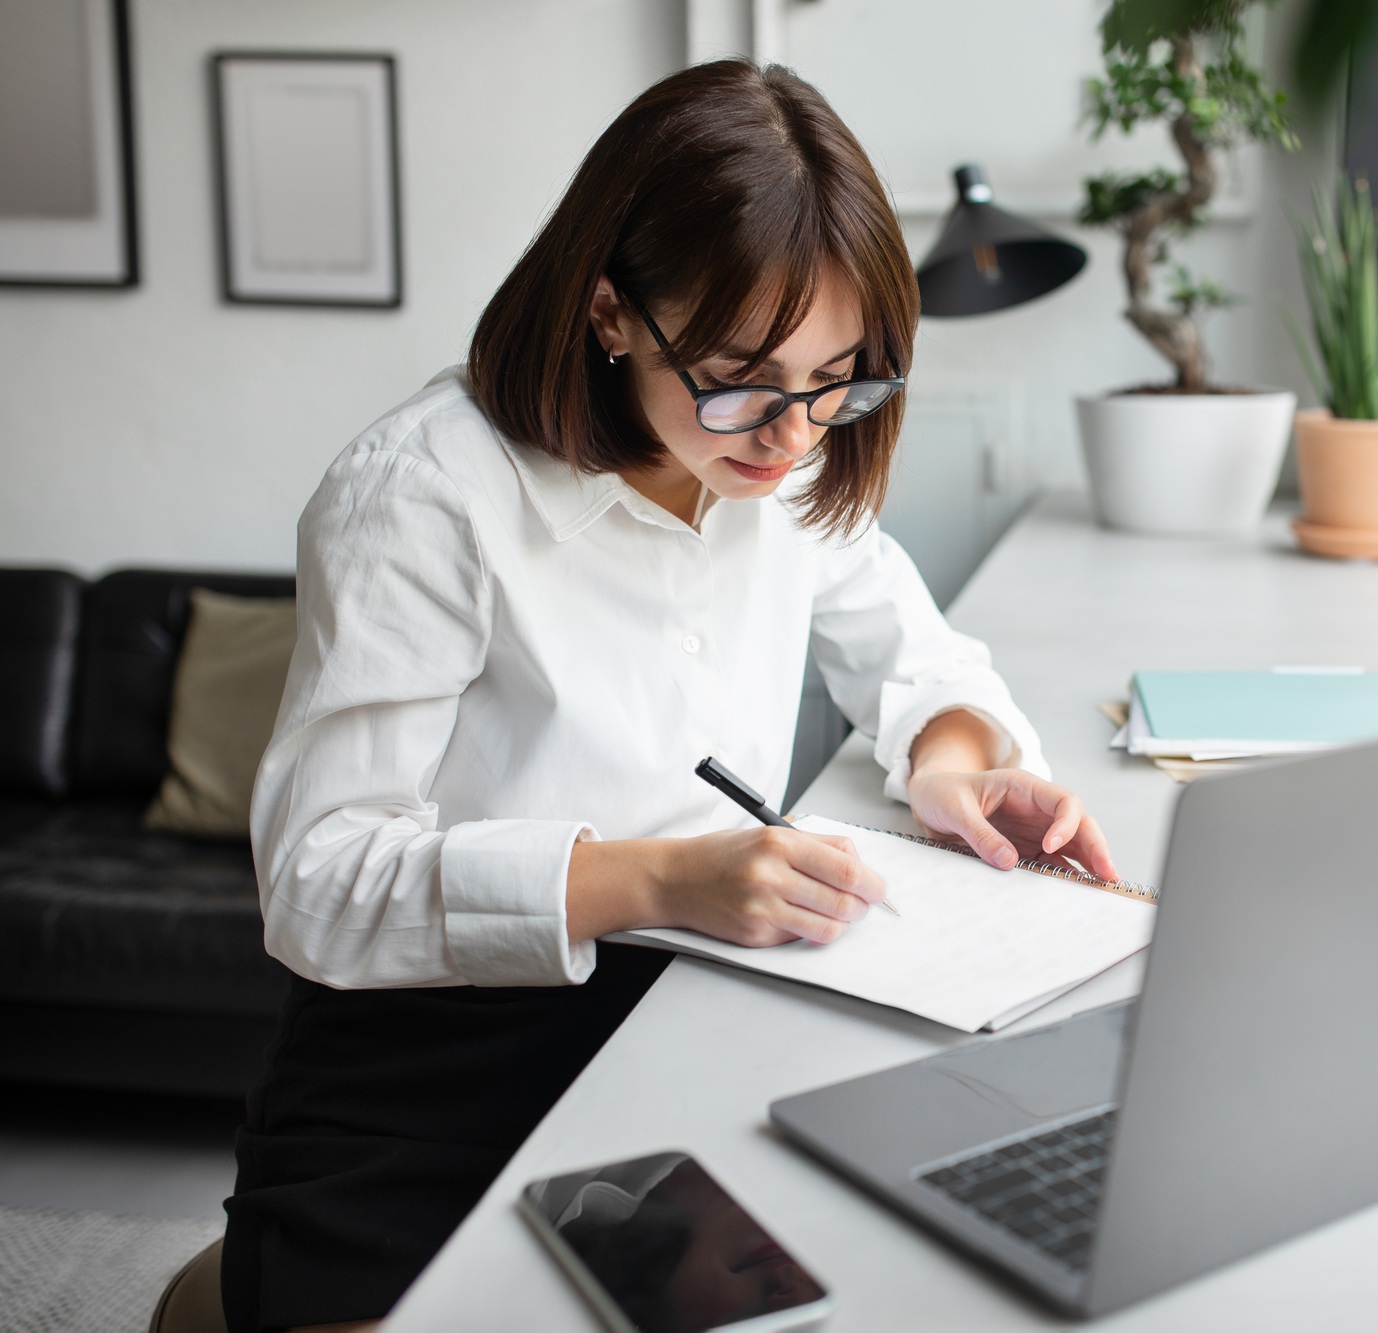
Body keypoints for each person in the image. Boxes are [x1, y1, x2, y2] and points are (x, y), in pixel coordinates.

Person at [217, 59, 1117, 1333]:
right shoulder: (425, 496)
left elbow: (916, 663)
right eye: (742, 373)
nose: (793, 433)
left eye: (837, 377)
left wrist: (954, 764)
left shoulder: (778, 466)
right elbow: (319, 881)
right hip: (425, 1067)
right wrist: (654, 879)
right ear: (608, 314)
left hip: (685, 1015)